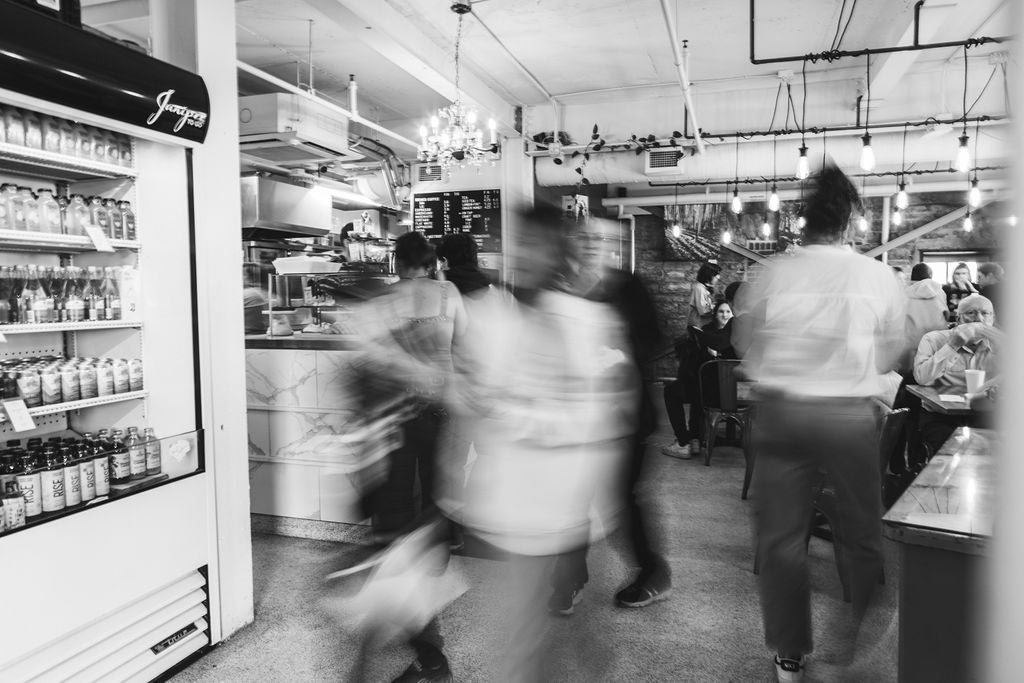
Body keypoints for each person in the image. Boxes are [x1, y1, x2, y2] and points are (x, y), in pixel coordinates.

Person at [733, 163, 905, 683]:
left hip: (782, 412)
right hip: (846, 416)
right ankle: (860, 640)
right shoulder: (877, 275)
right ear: (851, 221)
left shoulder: (775, 272)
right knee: (860, 528)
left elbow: (743, 342)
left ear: (804, 221)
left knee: (781, 539)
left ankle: (790, 652)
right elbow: (887, 357)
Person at [452, 204, 637, 681]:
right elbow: (478, 395)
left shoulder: (588, 321)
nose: (521, 254)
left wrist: (513, 414)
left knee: (539, 636)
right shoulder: (500, 318)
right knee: (531, 634)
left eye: (533, 243)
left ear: (557, 250)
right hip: (520, 505)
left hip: (563, 499)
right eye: (518, 243)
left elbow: (601, 413)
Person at [352, 230, 467, 683]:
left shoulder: (388, 299)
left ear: (399, 263)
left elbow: (374, 362)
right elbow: (465, 343)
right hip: (442, 404)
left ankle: (401, 561)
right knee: (438, 487)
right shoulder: (449, 292)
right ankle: (432, 563)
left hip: (400, 413)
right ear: (431, 262)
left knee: (398, 495)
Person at [548, 217, 671, 612]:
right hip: (575, 416)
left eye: (597, 238)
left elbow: (654, 338)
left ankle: (653, 572)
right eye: (582, 238)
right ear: (570, 243)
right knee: (571, 496)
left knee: (623, 499)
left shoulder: (627, 287)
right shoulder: (559, 290)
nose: (589, 244)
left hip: (625, 415)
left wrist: (618, 354)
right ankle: (568, 579)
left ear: (609, 245)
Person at [912, 293, 1001, 460]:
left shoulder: (999, 345)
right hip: (941, 416)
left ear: (993, 318)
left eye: (985, 313)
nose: (978, 319)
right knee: (949, 454)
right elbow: (922, 378)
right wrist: (953, 345)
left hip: (984, 414)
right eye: (971, 313)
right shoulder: (934, 339)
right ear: (959, 318)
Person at [436, 233, 491, 297]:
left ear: (445, 261)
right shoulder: (492, 291)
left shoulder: (437, 291)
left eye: (440, 261)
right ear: (474, 257)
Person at [686, 261, 722, 329]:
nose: (718, 278)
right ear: (709, 275)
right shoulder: (699, 288)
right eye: (716, 276)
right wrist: (718, 308)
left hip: (701, 326)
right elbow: (703, 311)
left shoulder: (703, 288)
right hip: (698, 327)